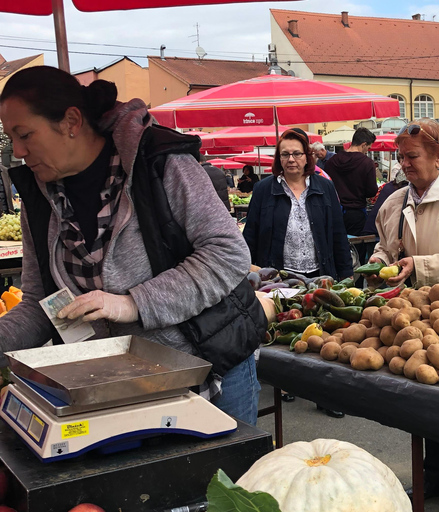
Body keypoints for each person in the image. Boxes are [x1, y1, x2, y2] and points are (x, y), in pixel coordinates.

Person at [0, 65, 273, 425]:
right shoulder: (39, 196)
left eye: (25, 135)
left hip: (208, 370)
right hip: (118, 388)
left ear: (70, 121)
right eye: (11, 139)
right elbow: (40, 303)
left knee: (218, 480)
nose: (18, 151)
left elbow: (228, 253)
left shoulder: (157, 162)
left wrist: (133, 304)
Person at [368, 119, 439, 512]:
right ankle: (435, 474)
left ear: (438, 156)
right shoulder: (395, 202)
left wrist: (418, 265)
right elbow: (387, 248)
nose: (405, 164)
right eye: (401, 157)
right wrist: (376, 263)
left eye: (412, 156)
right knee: (428, 395)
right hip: (410, 314)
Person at [244, 129, 353, 281]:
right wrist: (246, 269)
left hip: (320, 275)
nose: (291, 159)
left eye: (297, 153)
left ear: (307, 157)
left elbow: (338, 233)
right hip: (277, 278)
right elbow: (250, 234)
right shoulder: (263, 189)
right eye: (285, 154)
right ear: (278, 158)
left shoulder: (325, 187)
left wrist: (346, 273)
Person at [323, 127, 378, 235]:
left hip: (334, 211)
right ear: (363, 145)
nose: (367, 152)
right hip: (356, 214)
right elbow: (371, 191)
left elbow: (325, 185)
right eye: (368, 148)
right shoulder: (367, 163)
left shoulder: (331, 161)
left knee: (336, 247)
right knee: (357, 249)